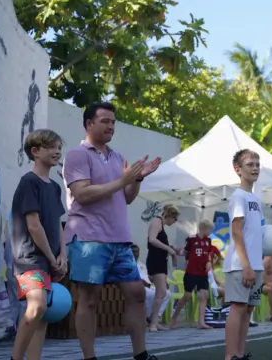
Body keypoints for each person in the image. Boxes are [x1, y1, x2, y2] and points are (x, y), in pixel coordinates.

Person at [62, 102, 162, 360]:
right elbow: (82, 194)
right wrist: (123, 180)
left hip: (120, 240)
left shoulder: (117, 157)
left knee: (137, 294)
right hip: (88, 240)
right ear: (89, 124)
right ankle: (89, 357)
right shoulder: (77, 155)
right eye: (105, 121)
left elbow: (126, 197)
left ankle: (141, 355)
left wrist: (137, 179)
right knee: (90, 300)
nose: (111, 126)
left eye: (113, 122)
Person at [10, 129, 67, 360]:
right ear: (35, 152)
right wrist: (53, 260)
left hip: (50, 259)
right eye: (51, 147)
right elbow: (34, 226)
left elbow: (57, 223)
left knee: (43, 315)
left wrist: (63, 254)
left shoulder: (55, 187)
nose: (57, 151)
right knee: (37, 307)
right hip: (29, 258)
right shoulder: (28, 182)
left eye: (59, 148)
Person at [223, 149, 265, 360]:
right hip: (241, 265)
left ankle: (239, 354)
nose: (255, 167)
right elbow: (237, 232)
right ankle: (231, 356)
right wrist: (246, 265)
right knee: (238, 308)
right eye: (250, 164)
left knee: (248, 310)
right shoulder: (238, 197)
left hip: (256, 264)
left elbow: (257, 232)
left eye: (257, 163)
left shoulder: (255, 199)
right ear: (238, 169)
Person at [172, 218, 222, 329]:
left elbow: (209, 253)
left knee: (204, 296)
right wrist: (176, 251)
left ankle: (201, 321)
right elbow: (185, 251)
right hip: (191, 272)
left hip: (203, 273)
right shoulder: (191, 239)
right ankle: (175, 317)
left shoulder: (208, 241)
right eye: (209, 230)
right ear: (203, 228)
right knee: (187, 295)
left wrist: (209, 261)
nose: (210, 233)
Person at [145, 204, 179, 331]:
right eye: (174, 219)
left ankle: (155, 321)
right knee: (161, 292)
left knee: (162, 292)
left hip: (161, 260)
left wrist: (171, 248)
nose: (174, 222)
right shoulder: (156, 222)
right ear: (170, 216)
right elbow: (152, 240)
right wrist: (169, 249)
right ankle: (152, 323)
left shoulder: (161, 225)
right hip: (156, 260)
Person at [131, 244, 170, 327]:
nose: (135, 254)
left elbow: (150, 277)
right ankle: (147, 317)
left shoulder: (141, 265)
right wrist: (142, 282)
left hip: (149, 285)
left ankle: (156, 317)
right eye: (133, 252)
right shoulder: (127, 264)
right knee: (151, 294)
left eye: (137, 252)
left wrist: (162, 282)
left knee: (166, 293)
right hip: (137, 286)